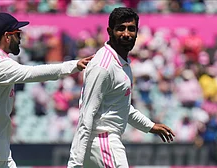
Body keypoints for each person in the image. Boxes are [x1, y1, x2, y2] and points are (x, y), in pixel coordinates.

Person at [0, 12, 93, 168]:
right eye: (18, 34)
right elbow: (31, 73)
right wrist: (73, 65)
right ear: (7, 36)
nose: (21, 39)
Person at [68, 7, 175, 168]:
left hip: (103, 142)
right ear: (109, 31)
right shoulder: (104, 66)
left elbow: (121, 106)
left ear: (137, 32)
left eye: (131, 29)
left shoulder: (121, 62)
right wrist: (74, 163)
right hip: (104, 141)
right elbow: (86, 115)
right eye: (120, 29)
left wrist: (150, 126)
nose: (126, 34)